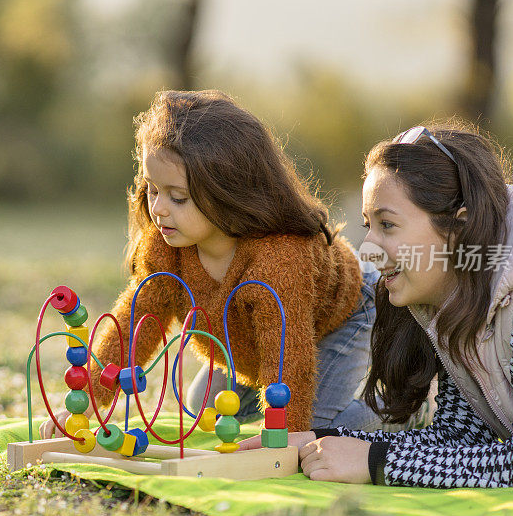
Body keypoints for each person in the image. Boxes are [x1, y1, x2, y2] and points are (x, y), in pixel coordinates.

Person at [242, 123, 513, 488]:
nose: (369, 247)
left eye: (388, 224)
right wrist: (317, 441)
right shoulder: (458, 291)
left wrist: (376, 463)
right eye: (369, 225)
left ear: (457, 227)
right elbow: (461, 439)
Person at [40, 89, 390, 439]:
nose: (159, 209)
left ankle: (400, 410)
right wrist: (87, 400)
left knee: (315, 434)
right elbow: (136, 322)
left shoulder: (281, 258)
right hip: (247, 341)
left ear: (227, 192)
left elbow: (288, 360)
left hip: (339, 316)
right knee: (201, 407)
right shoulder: (165, 245)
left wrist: (284, 437)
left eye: (178, 197)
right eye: (152, 189)